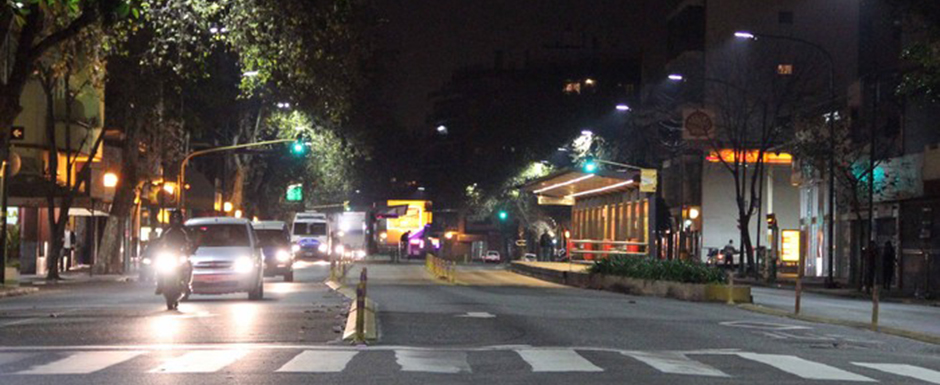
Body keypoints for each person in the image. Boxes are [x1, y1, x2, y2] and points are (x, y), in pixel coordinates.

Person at [155, 211, 193, 296]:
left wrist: (190, 249)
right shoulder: (166, 230)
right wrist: (158, 248)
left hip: (181, 254)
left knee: (188, 266)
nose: (176, 221)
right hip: (169, 253)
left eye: (177, 218)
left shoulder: (185, 230)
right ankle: (160, 284)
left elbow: (191, 241)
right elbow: (160, 241)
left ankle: (187, 285)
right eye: (174, 219)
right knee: (159, 267)